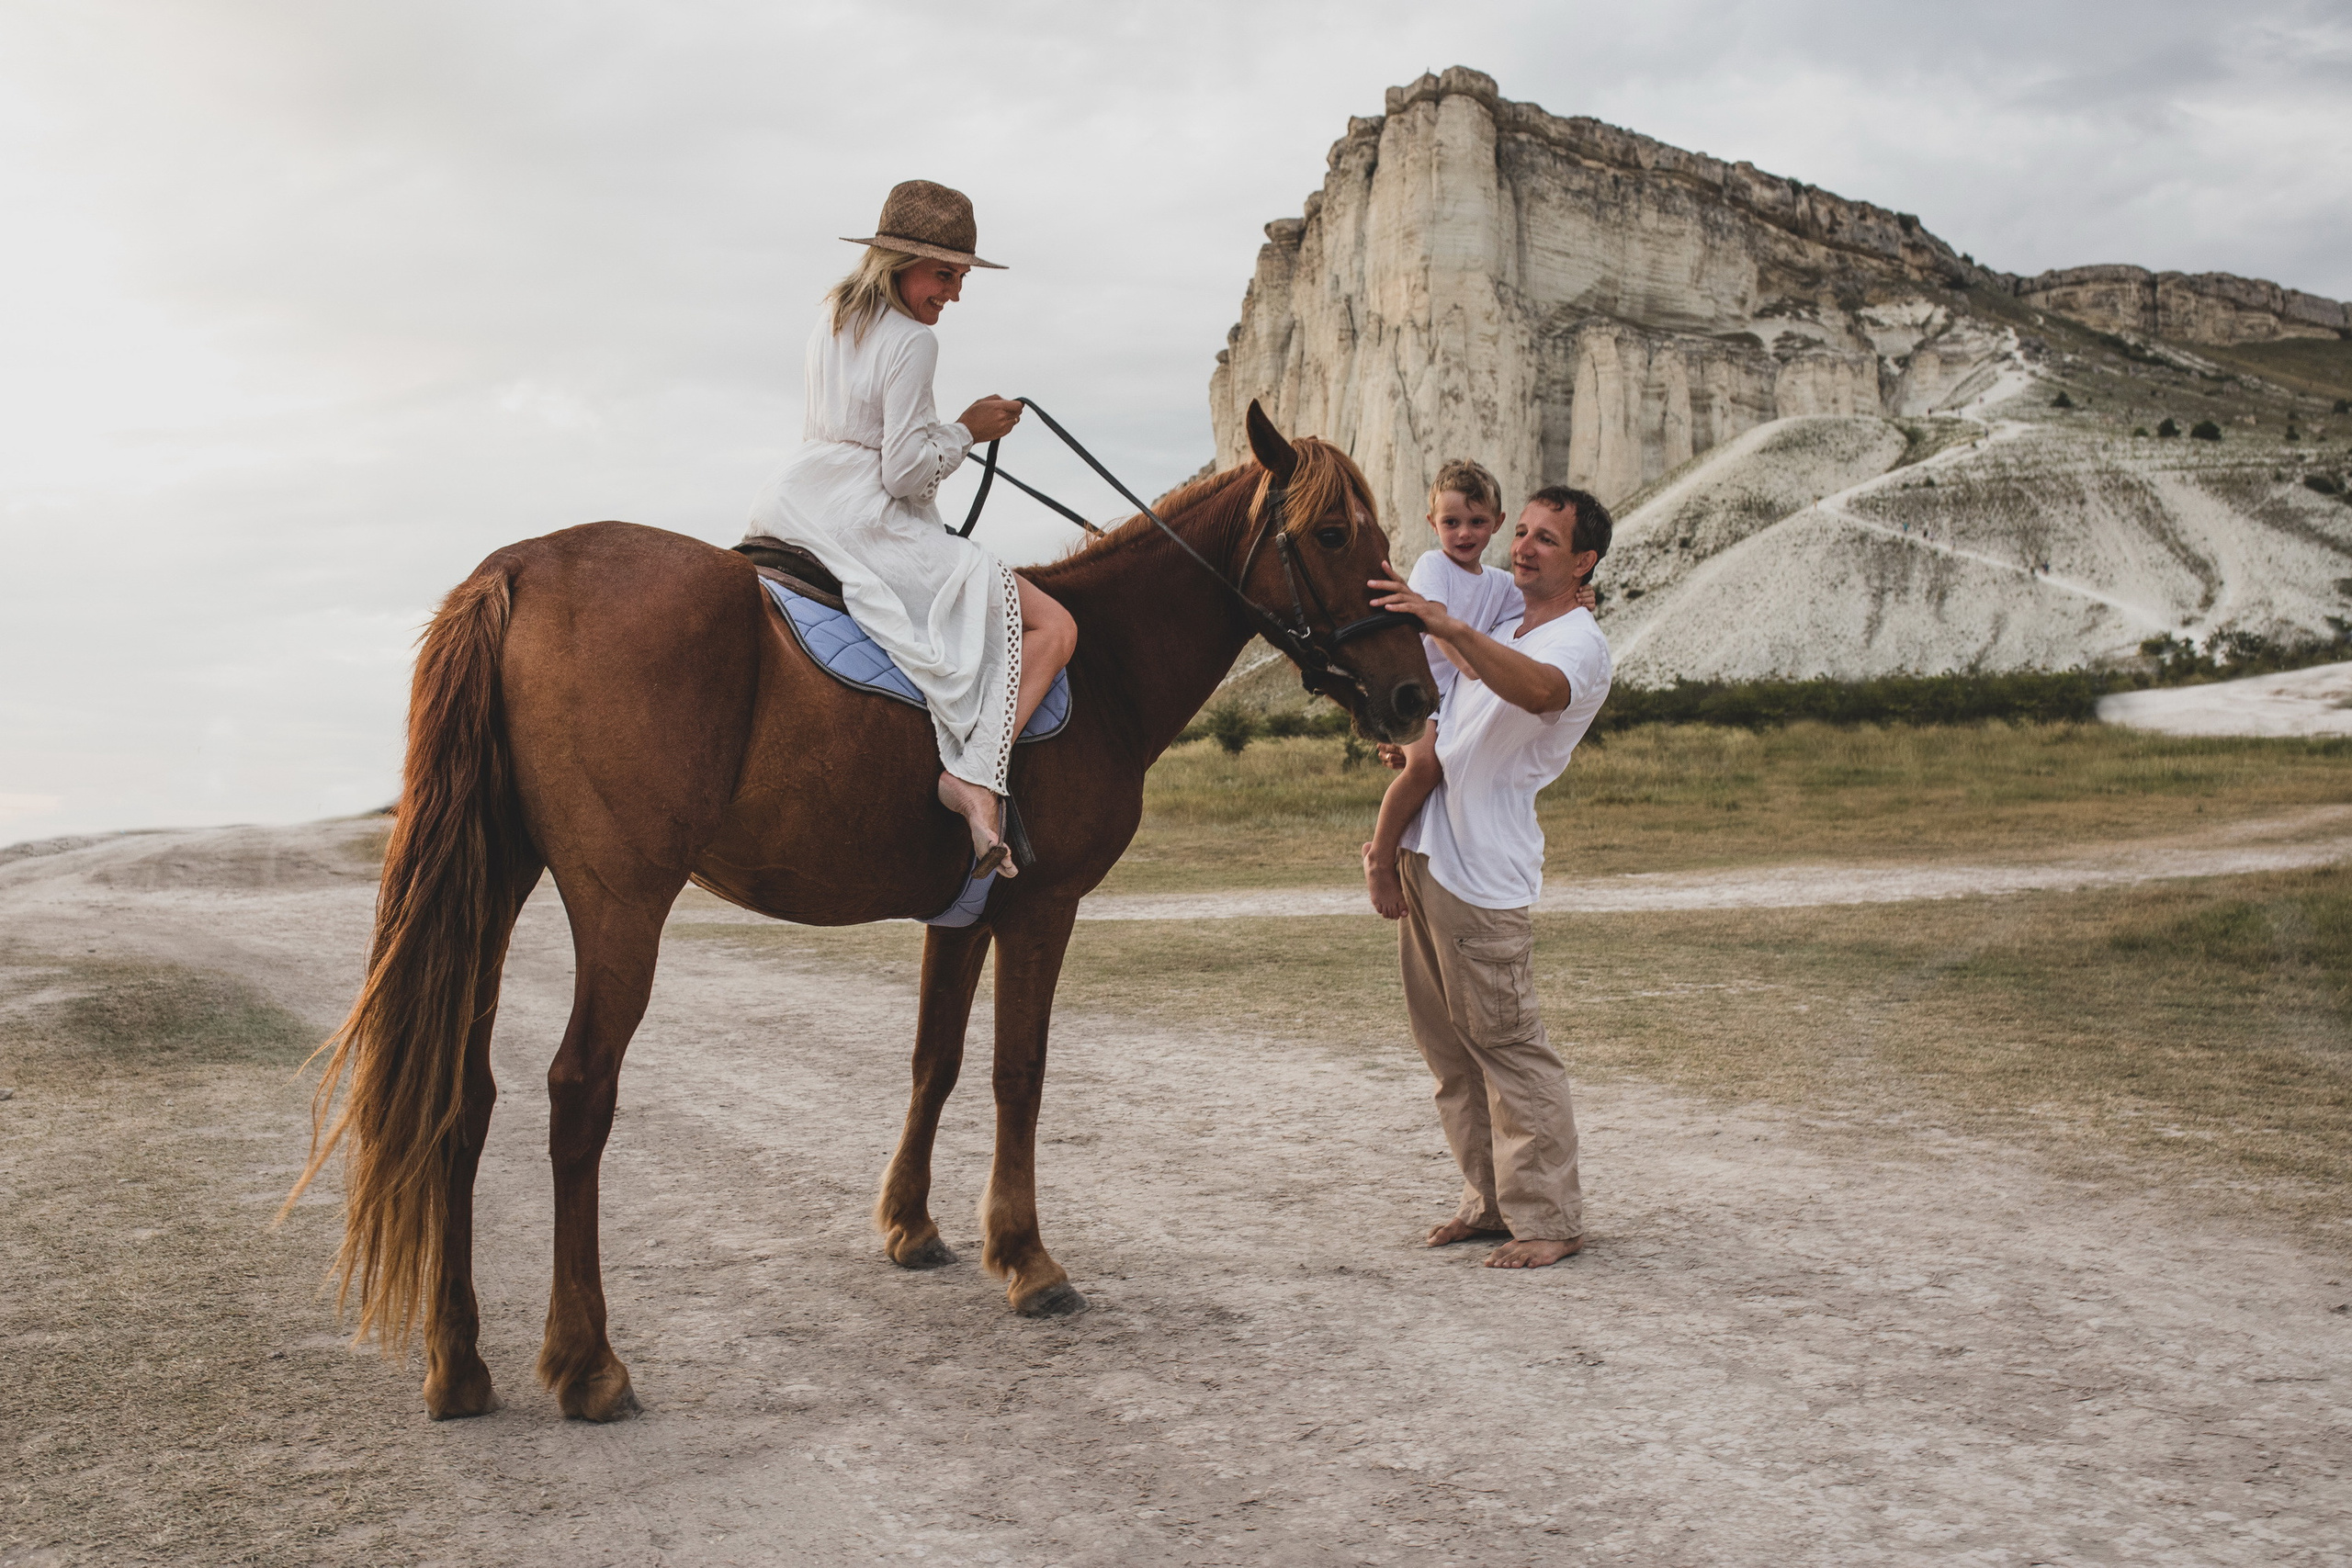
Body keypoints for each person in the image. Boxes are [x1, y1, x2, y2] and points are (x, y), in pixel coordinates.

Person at [740, 180, 1077, 877]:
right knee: (1055, 628)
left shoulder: (833, 317)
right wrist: (969, 431)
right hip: (867, 519)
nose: (953, 293)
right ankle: (977, 775)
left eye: (960, 277)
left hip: (793, 502)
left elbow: (852, 434)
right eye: (944, 274)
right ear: (898, 261)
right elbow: (901, 474)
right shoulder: (914, 342)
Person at [1364, 487, 1614, 1269]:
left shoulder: (1578, 641)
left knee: (1509, 1047)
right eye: (1527, 533)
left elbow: (1537, 692)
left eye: (1548, 539)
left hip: (1484, 874)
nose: (1526, 547)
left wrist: (1448, 624)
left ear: (1584, 563)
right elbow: (1459, 729)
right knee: (1451, 1053)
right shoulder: (1508, 622)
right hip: (1432, 854)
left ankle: (1551, 1217)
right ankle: (1494, 1200)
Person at [1362, 460, 1591, 919]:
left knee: (1443, 772)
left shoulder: (1503, 584)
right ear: (1433, 524)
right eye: (1451, 523)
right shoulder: (1433, 566)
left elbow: (1539, 605)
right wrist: (1468, 661)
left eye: (1477, 522)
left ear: (1497, 524)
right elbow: (1437, 625)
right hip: (1420, 695)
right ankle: (1379, 859)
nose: (1463, 534)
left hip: (1450, 706)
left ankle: (1417, 855)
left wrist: (1582, 595)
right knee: (1424, 768)